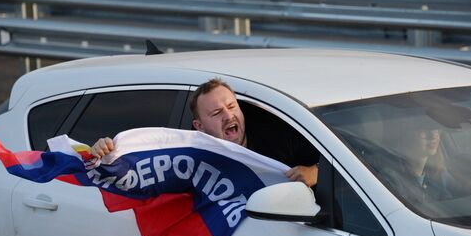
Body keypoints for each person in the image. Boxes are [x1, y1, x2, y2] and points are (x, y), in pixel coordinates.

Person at [91, 78, 319, 187]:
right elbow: (134, 171)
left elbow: (337, 165)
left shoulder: (281, 138)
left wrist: (314, 172)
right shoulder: (185, 156)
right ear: (199, 127)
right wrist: (103, 153)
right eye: (217, 112)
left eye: (232, 107)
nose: (229, 117)